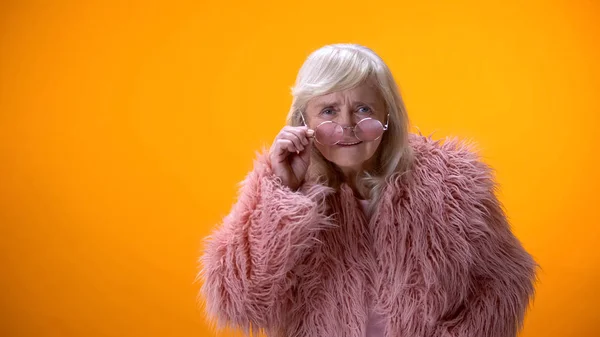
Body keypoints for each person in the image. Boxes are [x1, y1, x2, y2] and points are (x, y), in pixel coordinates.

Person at [198, 43, 538, 337]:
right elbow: (238, 299)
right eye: (328, 111)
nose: (347, 125)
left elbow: (504, 282)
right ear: (304, 122)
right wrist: (282, 192)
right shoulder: (284, 188)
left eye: (363, 109)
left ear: (388, 115)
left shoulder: (454, 184)